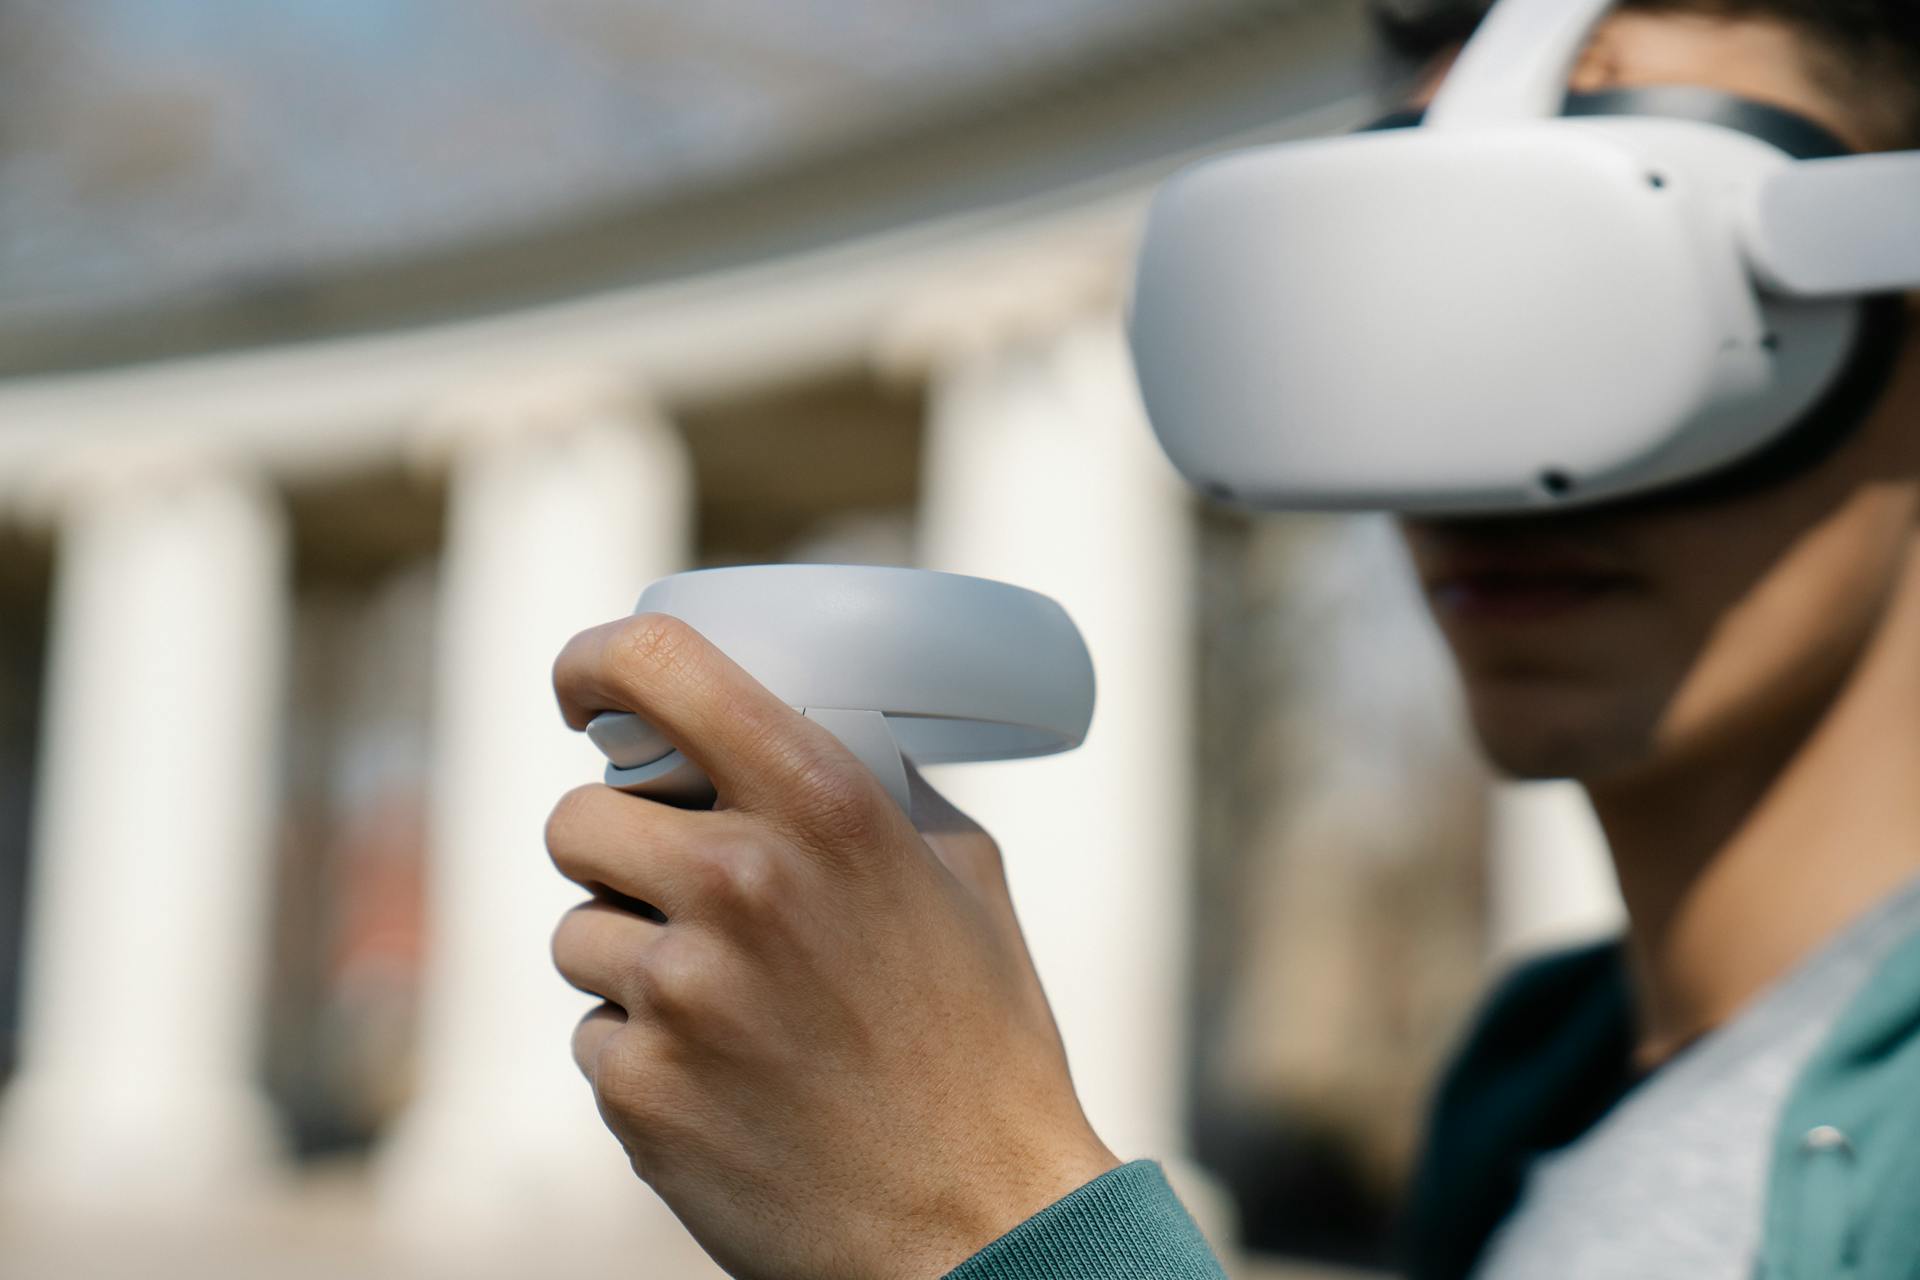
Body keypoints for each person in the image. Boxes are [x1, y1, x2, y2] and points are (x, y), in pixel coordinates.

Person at [542, 1, 1920, 1276]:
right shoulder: (1528, 1072)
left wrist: (980, 1220)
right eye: (1413, 311)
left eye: (1612, 304)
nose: (1488, 474)